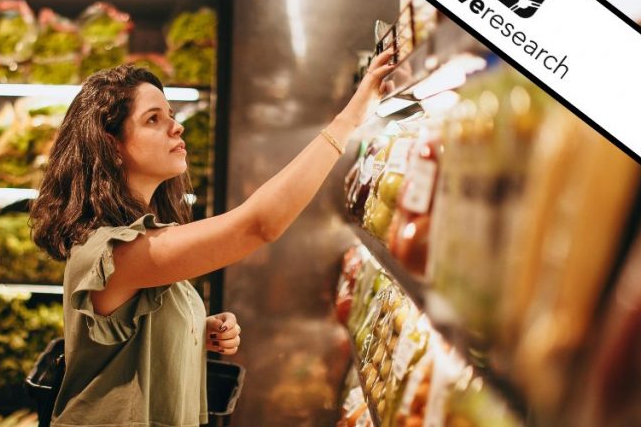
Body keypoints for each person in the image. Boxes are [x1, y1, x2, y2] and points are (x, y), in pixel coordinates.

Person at [30, 50, 396, 426]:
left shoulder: (141, 241)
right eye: (153, 119)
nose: (176, 127)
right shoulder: (112, 252)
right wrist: (350, 118)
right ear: (112, 146)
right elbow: (258, 225)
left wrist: (189, 330)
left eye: (171, 115)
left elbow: (129, 335)